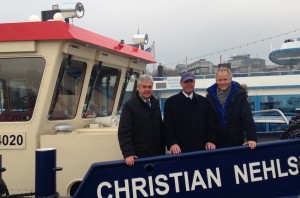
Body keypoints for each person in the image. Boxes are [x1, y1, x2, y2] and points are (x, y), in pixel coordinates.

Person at [163, 72, 216, 154]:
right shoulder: (170, 103)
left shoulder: (204, 102)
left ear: (194, 83)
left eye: (191, 82)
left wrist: (210, 140)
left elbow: (211, 124)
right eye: (186, 82)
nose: (189, 84)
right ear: (181, 83)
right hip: (179, 151)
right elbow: (168, 126)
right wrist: (172, 143)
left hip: (201, 150)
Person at [118, 74, 165, 166]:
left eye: (149, 87)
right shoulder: (129, 106)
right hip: (139, 157)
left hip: (157, 154)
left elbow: (160, 127)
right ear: (138, 88)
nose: (147, 89)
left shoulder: (155, 103)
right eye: (144, 87)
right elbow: (124, 132)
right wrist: (128, 153)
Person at [206, 67, 257, 149]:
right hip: (216, 144)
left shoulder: (240, 95)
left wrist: (251, 138)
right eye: (220, 80)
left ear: (230, 79)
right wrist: (210, 140)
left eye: (225, 79)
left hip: (236, 142)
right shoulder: (209, 97)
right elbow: (208, 121)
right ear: (216, 81)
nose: (222, 82)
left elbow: (247, 117)